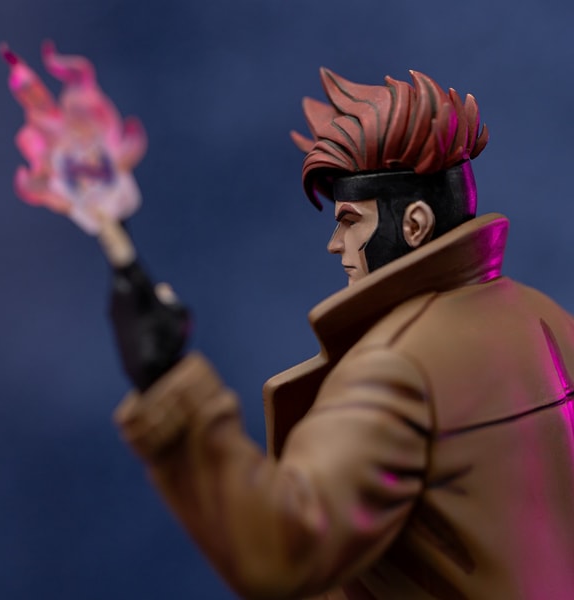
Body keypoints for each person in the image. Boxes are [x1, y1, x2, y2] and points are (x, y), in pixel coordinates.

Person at [109, 69, 574, 599]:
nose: (336, 243)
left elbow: (283, 550)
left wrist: (169, 388)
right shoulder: (548, 321)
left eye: (350, 221)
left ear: (414, 225)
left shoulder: (398, 368)